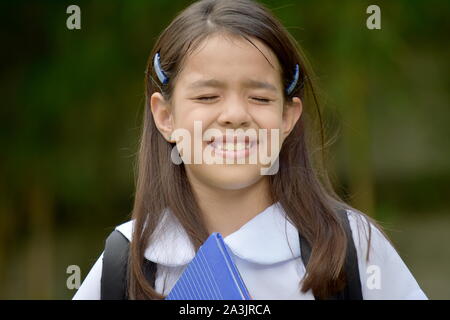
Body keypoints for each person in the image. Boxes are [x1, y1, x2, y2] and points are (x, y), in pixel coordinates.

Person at [73, 0, 428, 300]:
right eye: (207, 97)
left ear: (288, 116)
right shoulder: (128, 261)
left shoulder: (348, 246)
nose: (235, 116)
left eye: (259, 98)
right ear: (165, 116)